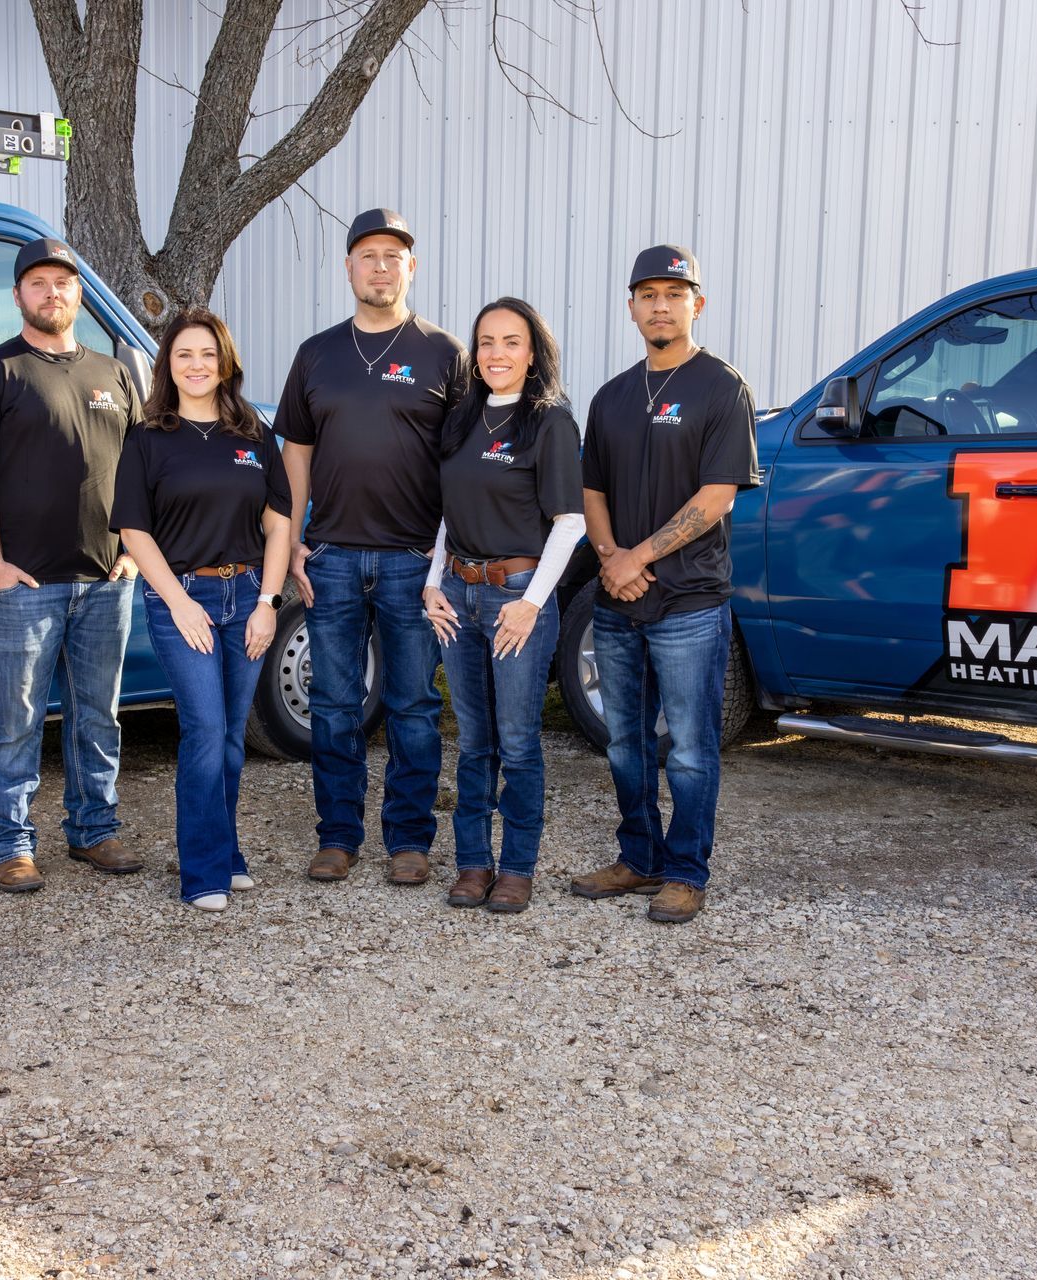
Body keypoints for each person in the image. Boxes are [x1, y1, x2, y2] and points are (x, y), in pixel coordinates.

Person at [276, 208, 469, 888]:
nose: (381, 266)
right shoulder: (317, 354)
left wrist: (443, 561)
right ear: (349, 266)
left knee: (414, 705)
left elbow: (464, 465)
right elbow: (295, 454)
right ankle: (338, 836)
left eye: (394, 255)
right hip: (329, 556)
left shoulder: (445, 354)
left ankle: (410, 840)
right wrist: (297, 540)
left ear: (410, 268)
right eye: (368, 255)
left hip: (412, 561)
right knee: (333, 703)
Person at [570, 245, 760, 924]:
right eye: (647, 294)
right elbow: (590, 490)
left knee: (688, 748)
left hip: (688, 603)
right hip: (620, 605)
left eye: (673, 294)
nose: (660, 305)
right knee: (625, 742)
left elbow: (717, 498)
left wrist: (636, 556)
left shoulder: (721, 388)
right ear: (631, 308)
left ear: (696, 305)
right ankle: (639, 857)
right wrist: (609, 555)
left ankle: (685, 871)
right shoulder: (612, 396)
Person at [0, 236, 144, 894]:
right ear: (17, 296)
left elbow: (140, 473)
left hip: (104, 582)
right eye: (37, 283)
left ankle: (94, 830)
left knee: (99, 714)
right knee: (16, 719)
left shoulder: (115, 375)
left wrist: (130, 553)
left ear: (79, 293)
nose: (51, 292)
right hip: (25, 585)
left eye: (62, 282)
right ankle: (9, 843)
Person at [111, 309, 292, 911]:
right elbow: (135, 532)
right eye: (185, 354)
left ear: (226, 364)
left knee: (233, 738)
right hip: (182, 598)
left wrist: (268, 603)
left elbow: (279, 525)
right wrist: (178, 601)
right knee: (206, 732)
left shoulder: (254, 435)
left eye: (208, 354)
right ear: (168, 364)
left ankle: (227, 850)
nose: (197, 365)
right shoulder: (148, 438)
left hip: (248, 600)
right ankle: (203, 871)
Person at [420, 298, 584, 914]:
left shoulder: (550, 422)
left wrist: (532, 605)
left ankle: (516, 867)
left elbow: (570, 524)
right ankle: (471, 863)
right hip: (458, 595)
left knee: (517, 740)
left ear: (533, 352)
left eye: (511, 342)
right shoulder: (460, 419)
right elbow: (445, 514)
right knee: (473, 739)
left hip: (517, 597)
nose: (496, 354)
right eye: (486, 342)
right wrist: (434, 583)